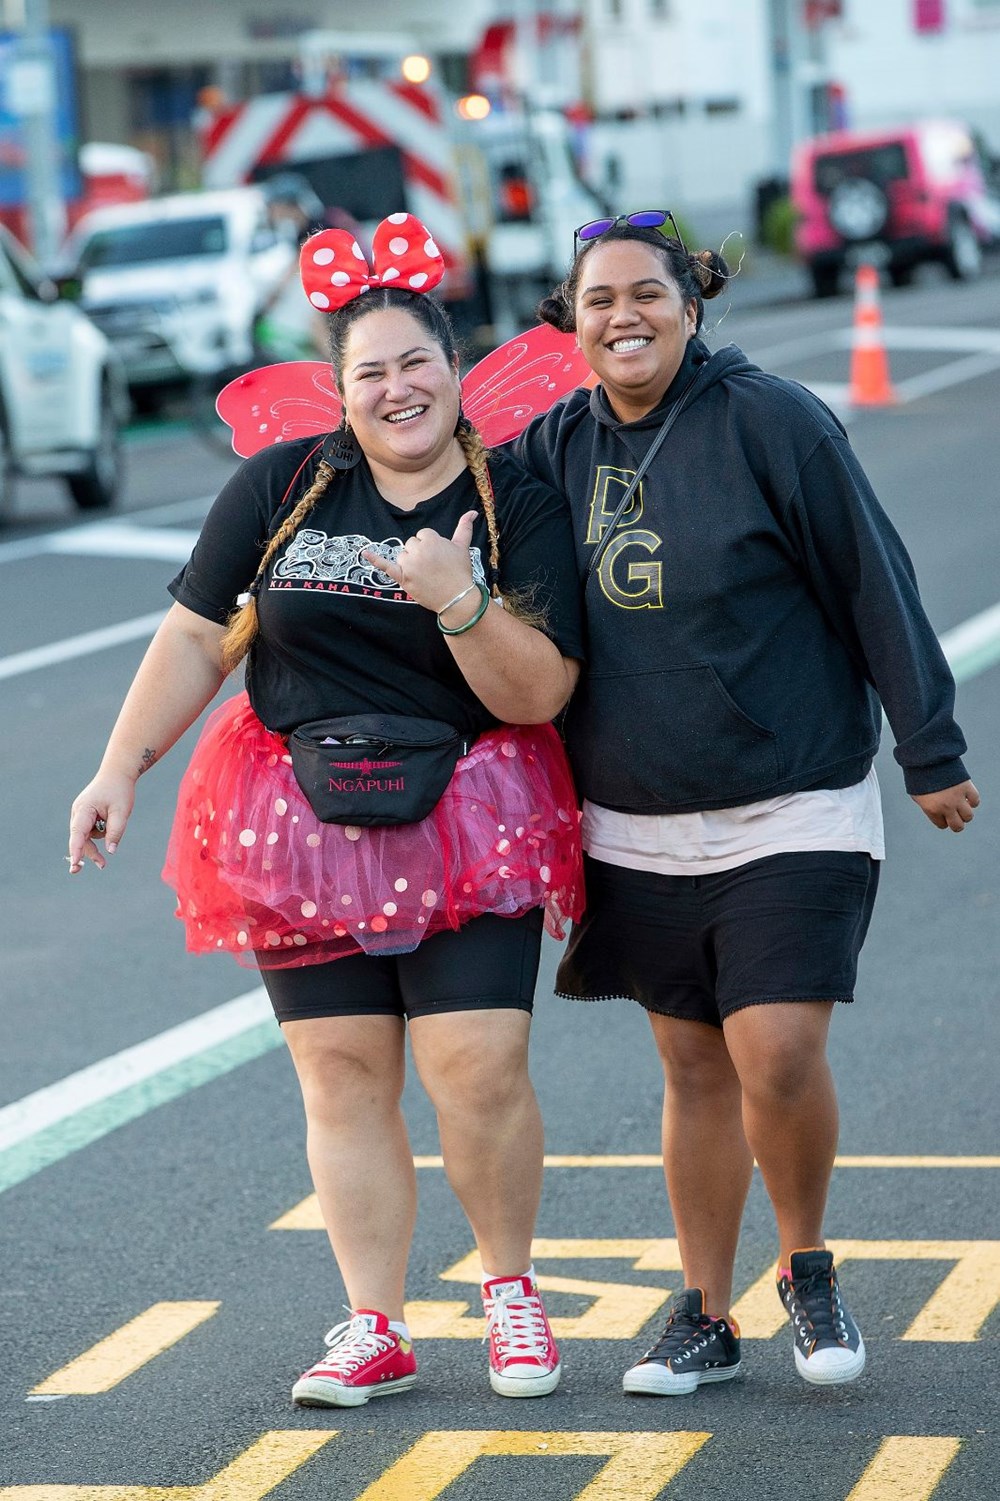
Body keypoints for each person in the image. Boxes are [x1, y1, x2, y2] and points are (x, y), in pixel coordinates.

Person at [68, 215, 586, 1409]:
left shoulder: (516, 498)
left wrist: (459, 600)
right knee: (342, 1073)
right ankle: (376, 1324)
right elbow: (198, 634)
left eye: (416, 363)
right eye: (370, 372)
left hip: (470, 803)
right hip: (300, 813)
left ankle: (510, 1294)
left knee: (477, 1066)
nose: (397, 389)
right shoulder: (286, 484)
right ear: (338, 388)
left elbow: (543, 688)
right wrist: (119, 767)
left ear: (455, 371)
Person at [514, 210, 979, 1396]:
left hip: (794, 799)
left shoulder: (772, 422)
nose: (623, 315)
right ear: (568, 321)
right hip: (635, 812)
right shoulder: (550, 447)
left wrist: (928, 747)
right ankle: (705, 1312)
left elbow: (874, 577)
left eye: (646, 294)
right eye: (599, 298)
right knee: (690, 1067)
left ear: (692, 303)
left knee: (773, 1046)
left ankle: (808, 1268)